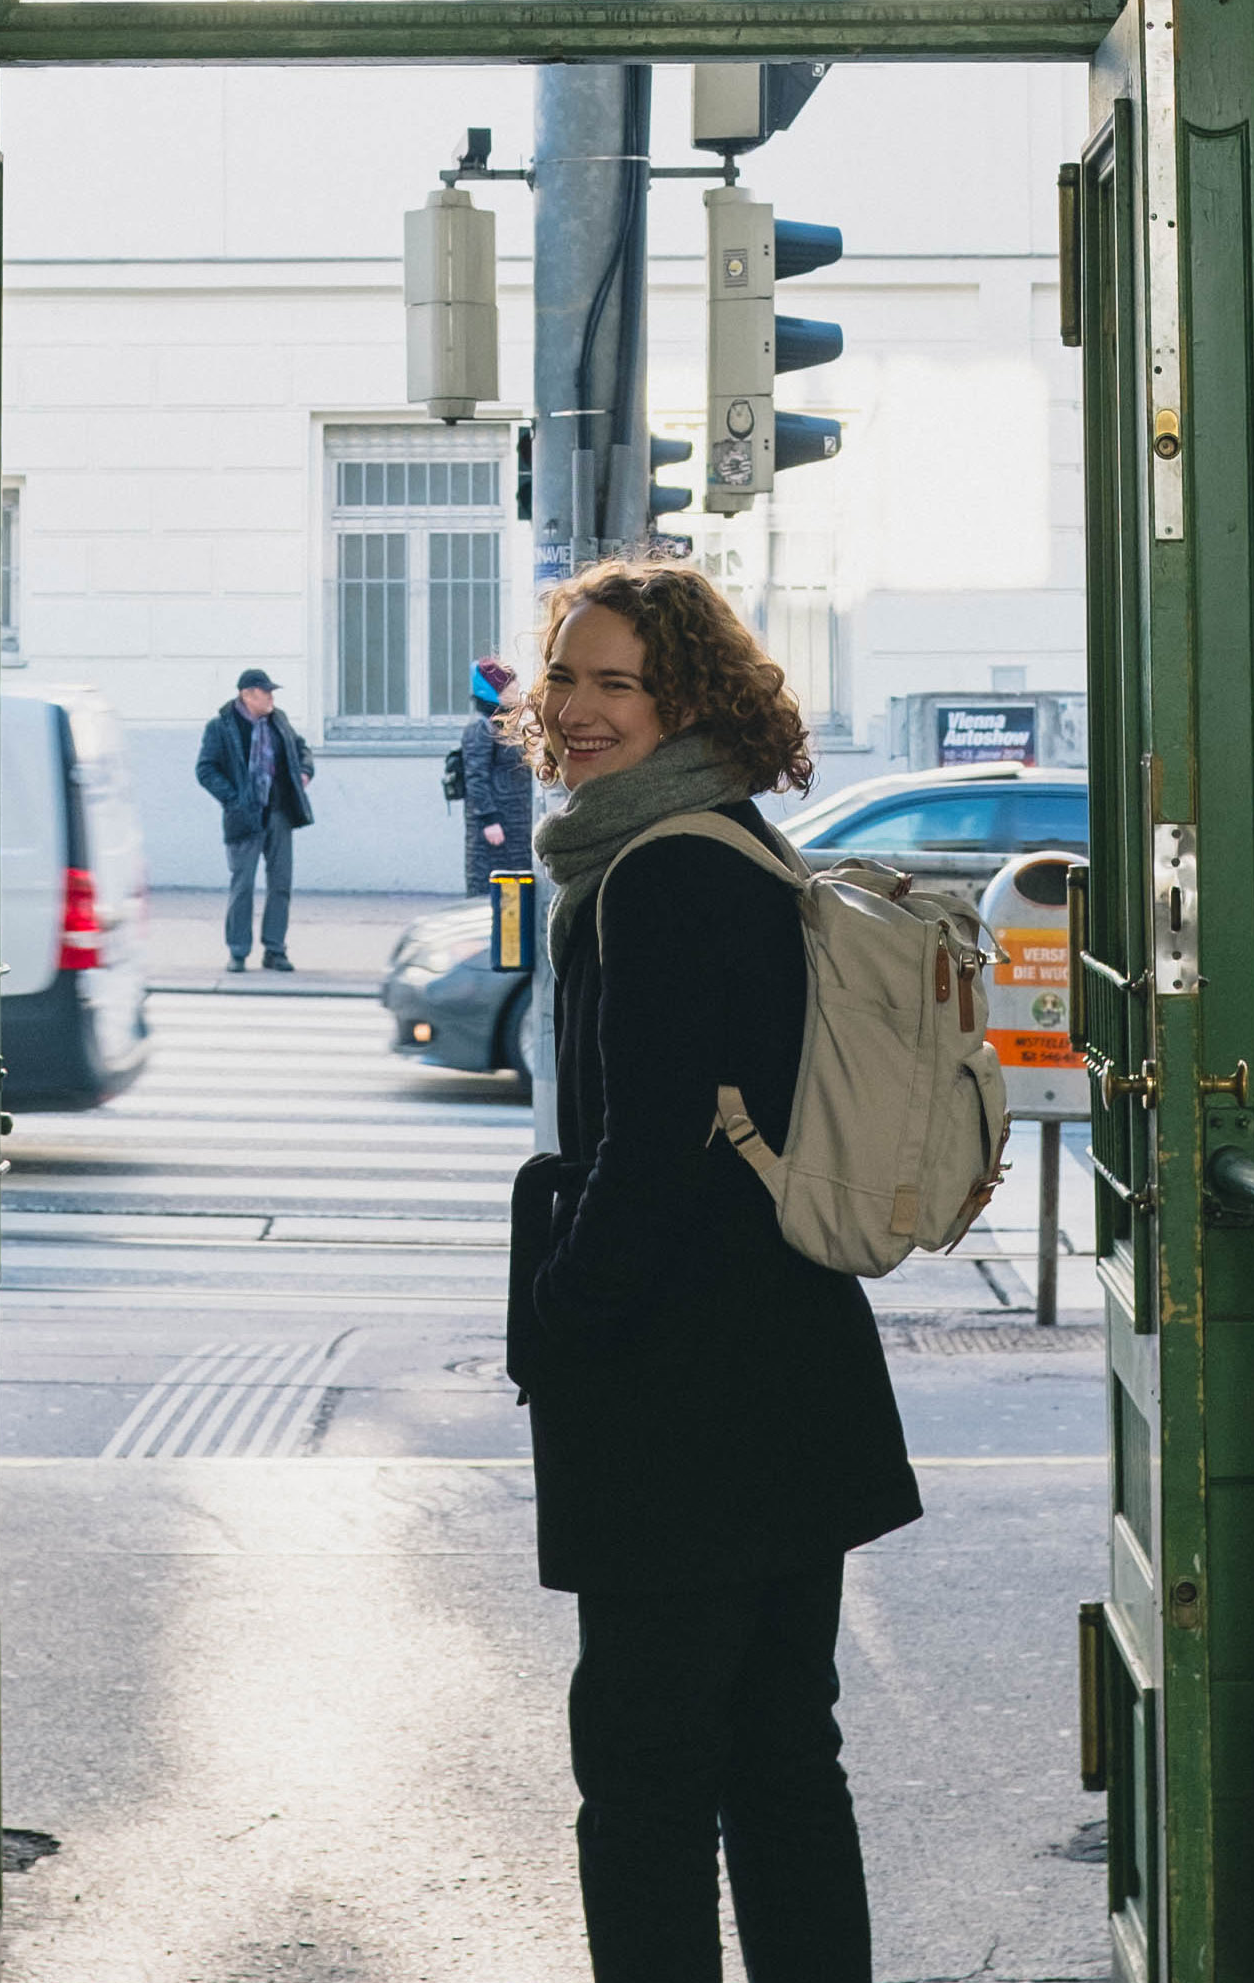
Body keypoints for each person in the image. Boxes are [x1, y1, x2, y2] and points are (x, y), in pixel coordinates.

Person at [501, 560, 921, 1982]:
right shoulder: (728, 838)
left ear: (685, 698)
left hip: (682, 1389)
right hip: (787, 1361)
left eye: (617, 680)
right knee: (780, 1750)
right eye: (564, 673)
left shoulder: (661, 869)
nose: (577, 707)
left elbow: (650, 1152)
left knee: (645, 1773)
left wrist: (561, 1320)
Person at [192, 666, 317, 972]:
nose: (271, 697)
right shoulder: (221, 727)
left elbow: (301, 748)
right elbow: (205, 769)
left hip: (280, 812)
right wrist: (234, 799)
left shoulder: (278, 720)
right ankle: (238, 951)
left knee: (281, 884)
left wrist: (304, 770)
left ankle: (275, 950)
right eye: (266, 692)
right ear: (247, 695)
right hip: (244, 816)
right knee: (243, 884)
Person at [459, 655, 532, 891]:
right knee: (490, 890)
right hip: (496, 828)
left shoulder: (504, 725)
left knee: (515, 891)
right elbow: (475, 777)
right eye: (511, 684)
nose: (518, 688)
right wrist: (489, 820)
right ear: (494, 690)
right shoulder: (480, 726)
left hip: (514, 825)